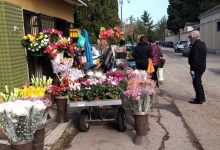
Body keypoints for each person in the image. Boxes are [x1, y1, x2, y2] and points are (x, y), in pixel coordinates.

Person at [188, 31, 207, 104]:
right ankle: (202, 97)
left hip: (196, 67)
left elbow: (194, 59)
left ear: (194, 37)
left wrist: (192, 69)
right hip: (202, 66)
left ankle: (199, 99)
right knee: (198, 82)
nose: (190, 39)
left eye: (190, 37)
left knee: (196, 82)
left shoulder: (196, 45)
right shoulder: (202, 44)